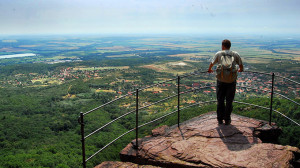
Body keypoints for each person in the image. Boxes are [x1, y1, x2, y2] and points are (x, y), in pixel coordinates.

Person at [208, 39, 243, 125]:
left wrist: (209, 69)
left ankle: (220, 119)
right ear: (230, 46)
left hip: (221, 81)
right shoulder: (235, 54)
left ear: (222, 46)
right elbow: (241, 66)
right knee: (229, 101)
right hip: (231, 81)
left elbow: (212, 63)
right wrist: (240, 70)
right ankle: (227, 119)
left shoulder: (219, 54)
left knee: (220, 100)